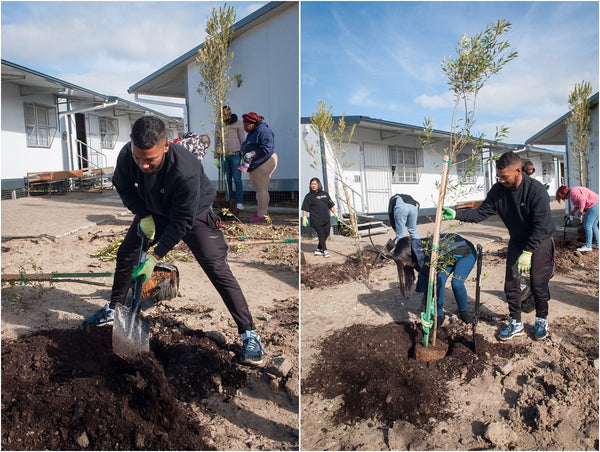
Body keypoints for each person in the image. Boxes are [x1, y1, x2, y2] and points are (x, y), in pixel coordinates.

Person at [83, 116, 265, 365]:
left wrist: (155, 257)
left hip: (194, 214)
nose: (143, 165)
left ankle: (249, 333)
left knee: (216, 267)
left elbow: (182, 223)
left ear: (166, 145)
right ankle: (114, 309)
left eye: (151, 160)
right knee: (127, 253)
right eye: (139, 158)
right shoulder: (128, 154)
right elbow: (122, 186)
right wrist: (143, 213)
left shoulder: (185, 169)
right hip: (153, 211)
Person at [442, 151, 555, 341]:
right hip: (517, 240)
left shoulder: (536, 191)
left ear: (519, 171)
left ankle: (541, 319)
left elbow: (542, 225)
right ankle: (516, 322)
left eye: (505, 176)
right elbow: (481, 213)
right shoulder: (498, 191)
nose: (501, 180)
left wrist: (528, 252)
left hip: (540, 238)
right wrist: (456, 215)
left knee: (537, 282)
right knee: (511, 281)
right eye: (498, 176)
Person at [392, 233, 476, 325]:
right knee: (438, 282)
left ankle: (464, 311)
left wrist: (424, 310)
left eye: (405, 261)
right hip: (446, 256)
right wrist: (426, 312)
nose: (404, 265)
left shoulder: (428, 256)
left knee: (457, 283)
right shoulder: (417, 256)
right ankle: (439, 315)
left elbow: (429, 282)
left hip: (466, 252)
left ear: (409, 254)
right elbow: (431, 283)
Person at [240, 112, 277, 222]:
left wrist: (252, 153)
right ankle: (261, 212)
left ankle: (262, 214)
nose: (245, 128)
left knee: (261, 188)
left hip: (264, 161)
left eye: (246, 125)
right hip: (257, 162)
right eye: (244, 125)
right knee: (259, 189)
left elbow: (267, 148)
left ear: (253, 123)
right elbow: (247, 144)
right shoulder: (254, 131)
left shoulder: (264, 131)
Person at [214, 106, 246, 210]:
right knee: (227, 179)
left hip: (235, 153)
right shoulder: (219, 124)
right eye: (222, 113)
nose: (224, 115)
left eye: (226, 112)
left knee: (237, 179)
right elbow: (217, 140)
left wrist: (243, 154)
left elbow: (242, 139)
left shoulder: (238, 123)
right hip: (224, 155)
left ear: (230, 112)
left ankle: (239, 202)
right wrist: (216, 155)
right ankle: (229, 201)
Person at [301, 177, 338, 258]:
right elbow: (305, 208)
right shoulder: (309, 196)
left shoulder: (325, 194)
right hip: (316, 219)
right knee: (321, 235)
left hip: (326, 218)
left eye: (315, 184)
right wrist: (304, 217)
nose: (313, 186)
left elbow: (330, 205)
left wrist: (335, 213)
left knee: (326, 233)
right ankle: (324, 250)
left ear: (318, 184)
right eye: (312, 184)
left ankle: (318, 249)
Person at [556, 185, 599, 251]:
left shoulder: (573, 193)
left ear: (564, 194)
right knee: (593, 225)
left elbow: (582, 200)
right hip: (597, 203)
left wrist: (580, 213)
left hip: (594, 205)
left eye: (563, 198)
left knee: (587, 225)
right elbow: (577, 205)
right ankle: (597, 244)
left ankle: (588, 246)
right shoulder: (573, 191)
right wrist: (571, 213)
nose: (564, 199)